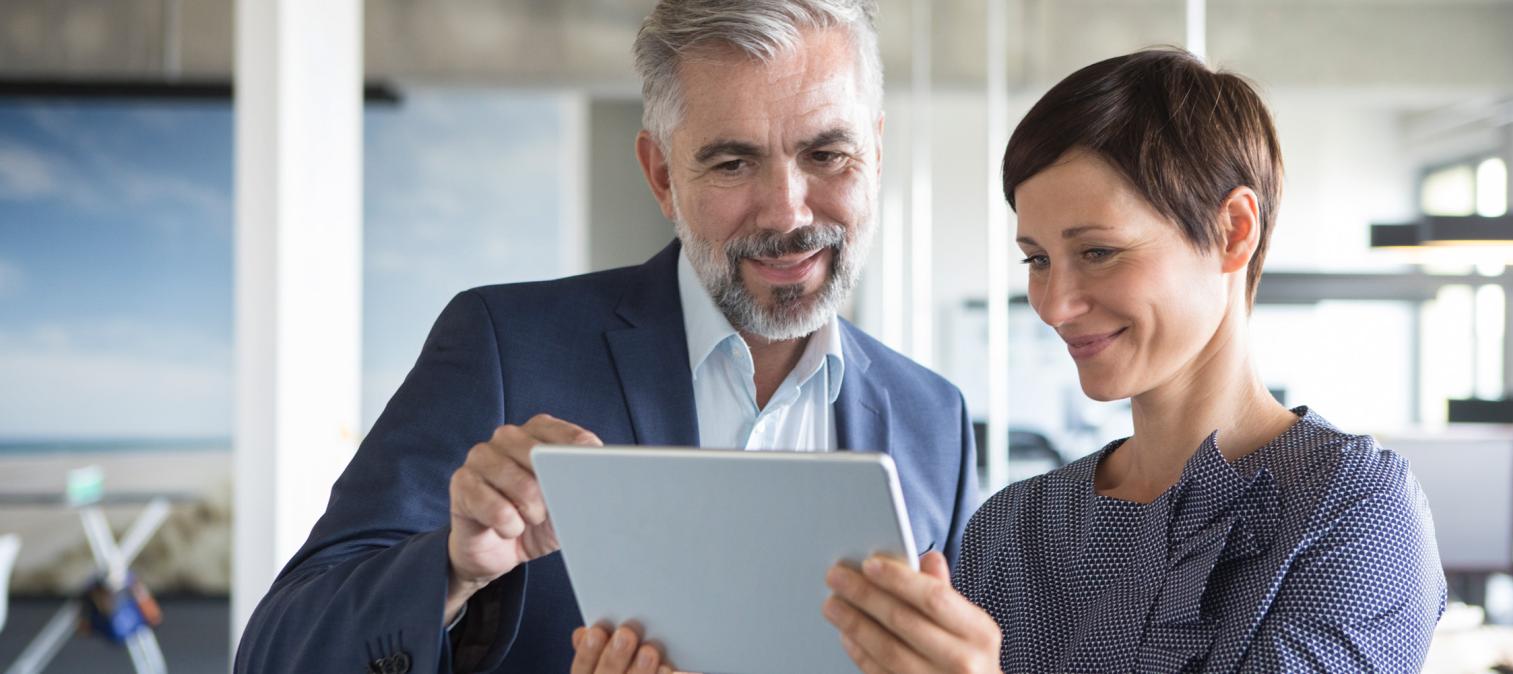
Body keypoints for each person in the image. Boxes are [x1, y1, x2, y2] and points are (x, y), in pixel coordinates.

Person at [233, 2, 980, 672]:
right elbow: (276, 653)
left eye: (826, 154)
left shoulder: (933, 420)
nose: (787, 213)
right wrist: (454, 571)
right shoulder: (504, 348)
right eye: (732, 161)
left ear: (875, 155)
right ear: (661, 175)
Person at [821, 49, 1448, 673]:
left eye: (1097, 251)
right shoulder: (1014, 527)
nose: (1055, 305)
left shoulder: (1353, 507)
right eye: (1037, 260)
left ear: (1233, 230)